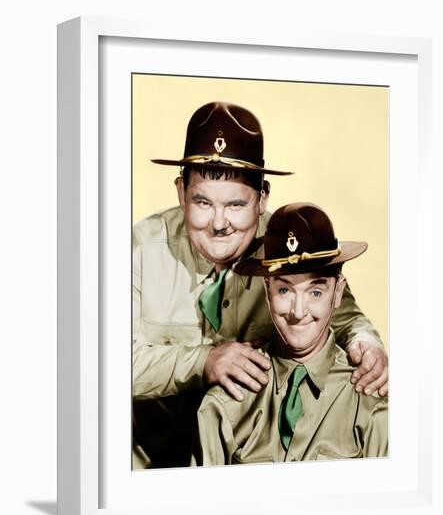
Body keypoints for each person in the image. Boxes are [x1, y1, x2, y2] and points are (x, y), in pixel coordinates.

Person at [133, 101, 388, 469]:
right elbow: (100, 363)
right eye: (202, 202)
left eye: (236, 205)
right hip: (142, 465)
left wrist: (369, 347)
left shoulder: (289, 246)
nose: (219, 223)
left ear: (262, 198)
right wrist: (202, 360)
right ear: (180, 192)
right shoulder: (137, 250)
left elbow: (344, 314)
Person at [192, 202, 388, 465]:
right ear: (267, 290)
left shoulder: (371, 402)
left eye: (315, 292)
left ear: (338, 292)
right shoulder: (225, 403)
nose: (298, 311)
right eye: (284, 291)